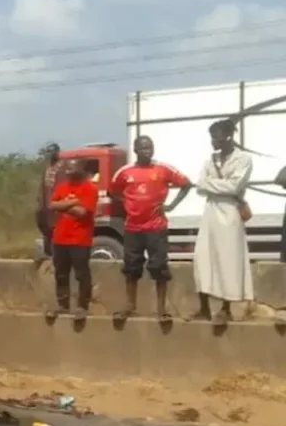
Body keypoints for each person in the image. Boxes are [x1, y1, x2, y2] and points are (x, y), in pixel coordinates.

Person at [109, 135, 191, 324]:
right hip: (132, 227)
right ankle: (130, 305)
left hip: (156, 227)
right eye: (144, 148)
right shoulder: (124, 172)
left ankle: (161, 308)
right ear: (136, 150)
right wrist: (128, 205)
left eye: (150, 147)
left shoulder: (163, 169)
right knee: (131, 267)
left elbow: (186, 184)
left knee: (159, 267)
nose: (148, 151)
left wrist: (170, 206)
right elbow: (113, 192)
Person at [193, 119, 254, 325]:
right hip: (210, 212)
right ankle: (203, 307)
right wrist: (217, 184)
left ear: (228, 136)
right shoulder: (210, 160)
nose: (212, 141)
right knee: (203, 258)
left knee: (227, 260)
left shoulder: (243, 159)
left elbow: (234, 187)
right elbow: (199, 186)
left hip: (229, 213)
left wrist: (210, 184)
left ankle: (225, 309)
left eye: (216, 136)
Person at [45, 159, 98, 321]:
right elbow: (51, 205)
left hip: (80, 240)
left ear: (81, 169)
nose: (69, 171)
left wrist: (63, 204)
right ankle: (63, 305)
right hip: (60, 238)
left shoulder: (89, 188)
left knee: (82, 274)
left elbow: (82, 212)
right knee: (61, 274)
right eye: (67, 169)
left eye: (72, 168)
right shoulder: (62, 187)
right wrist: (73, 202)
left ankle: (82, 306)